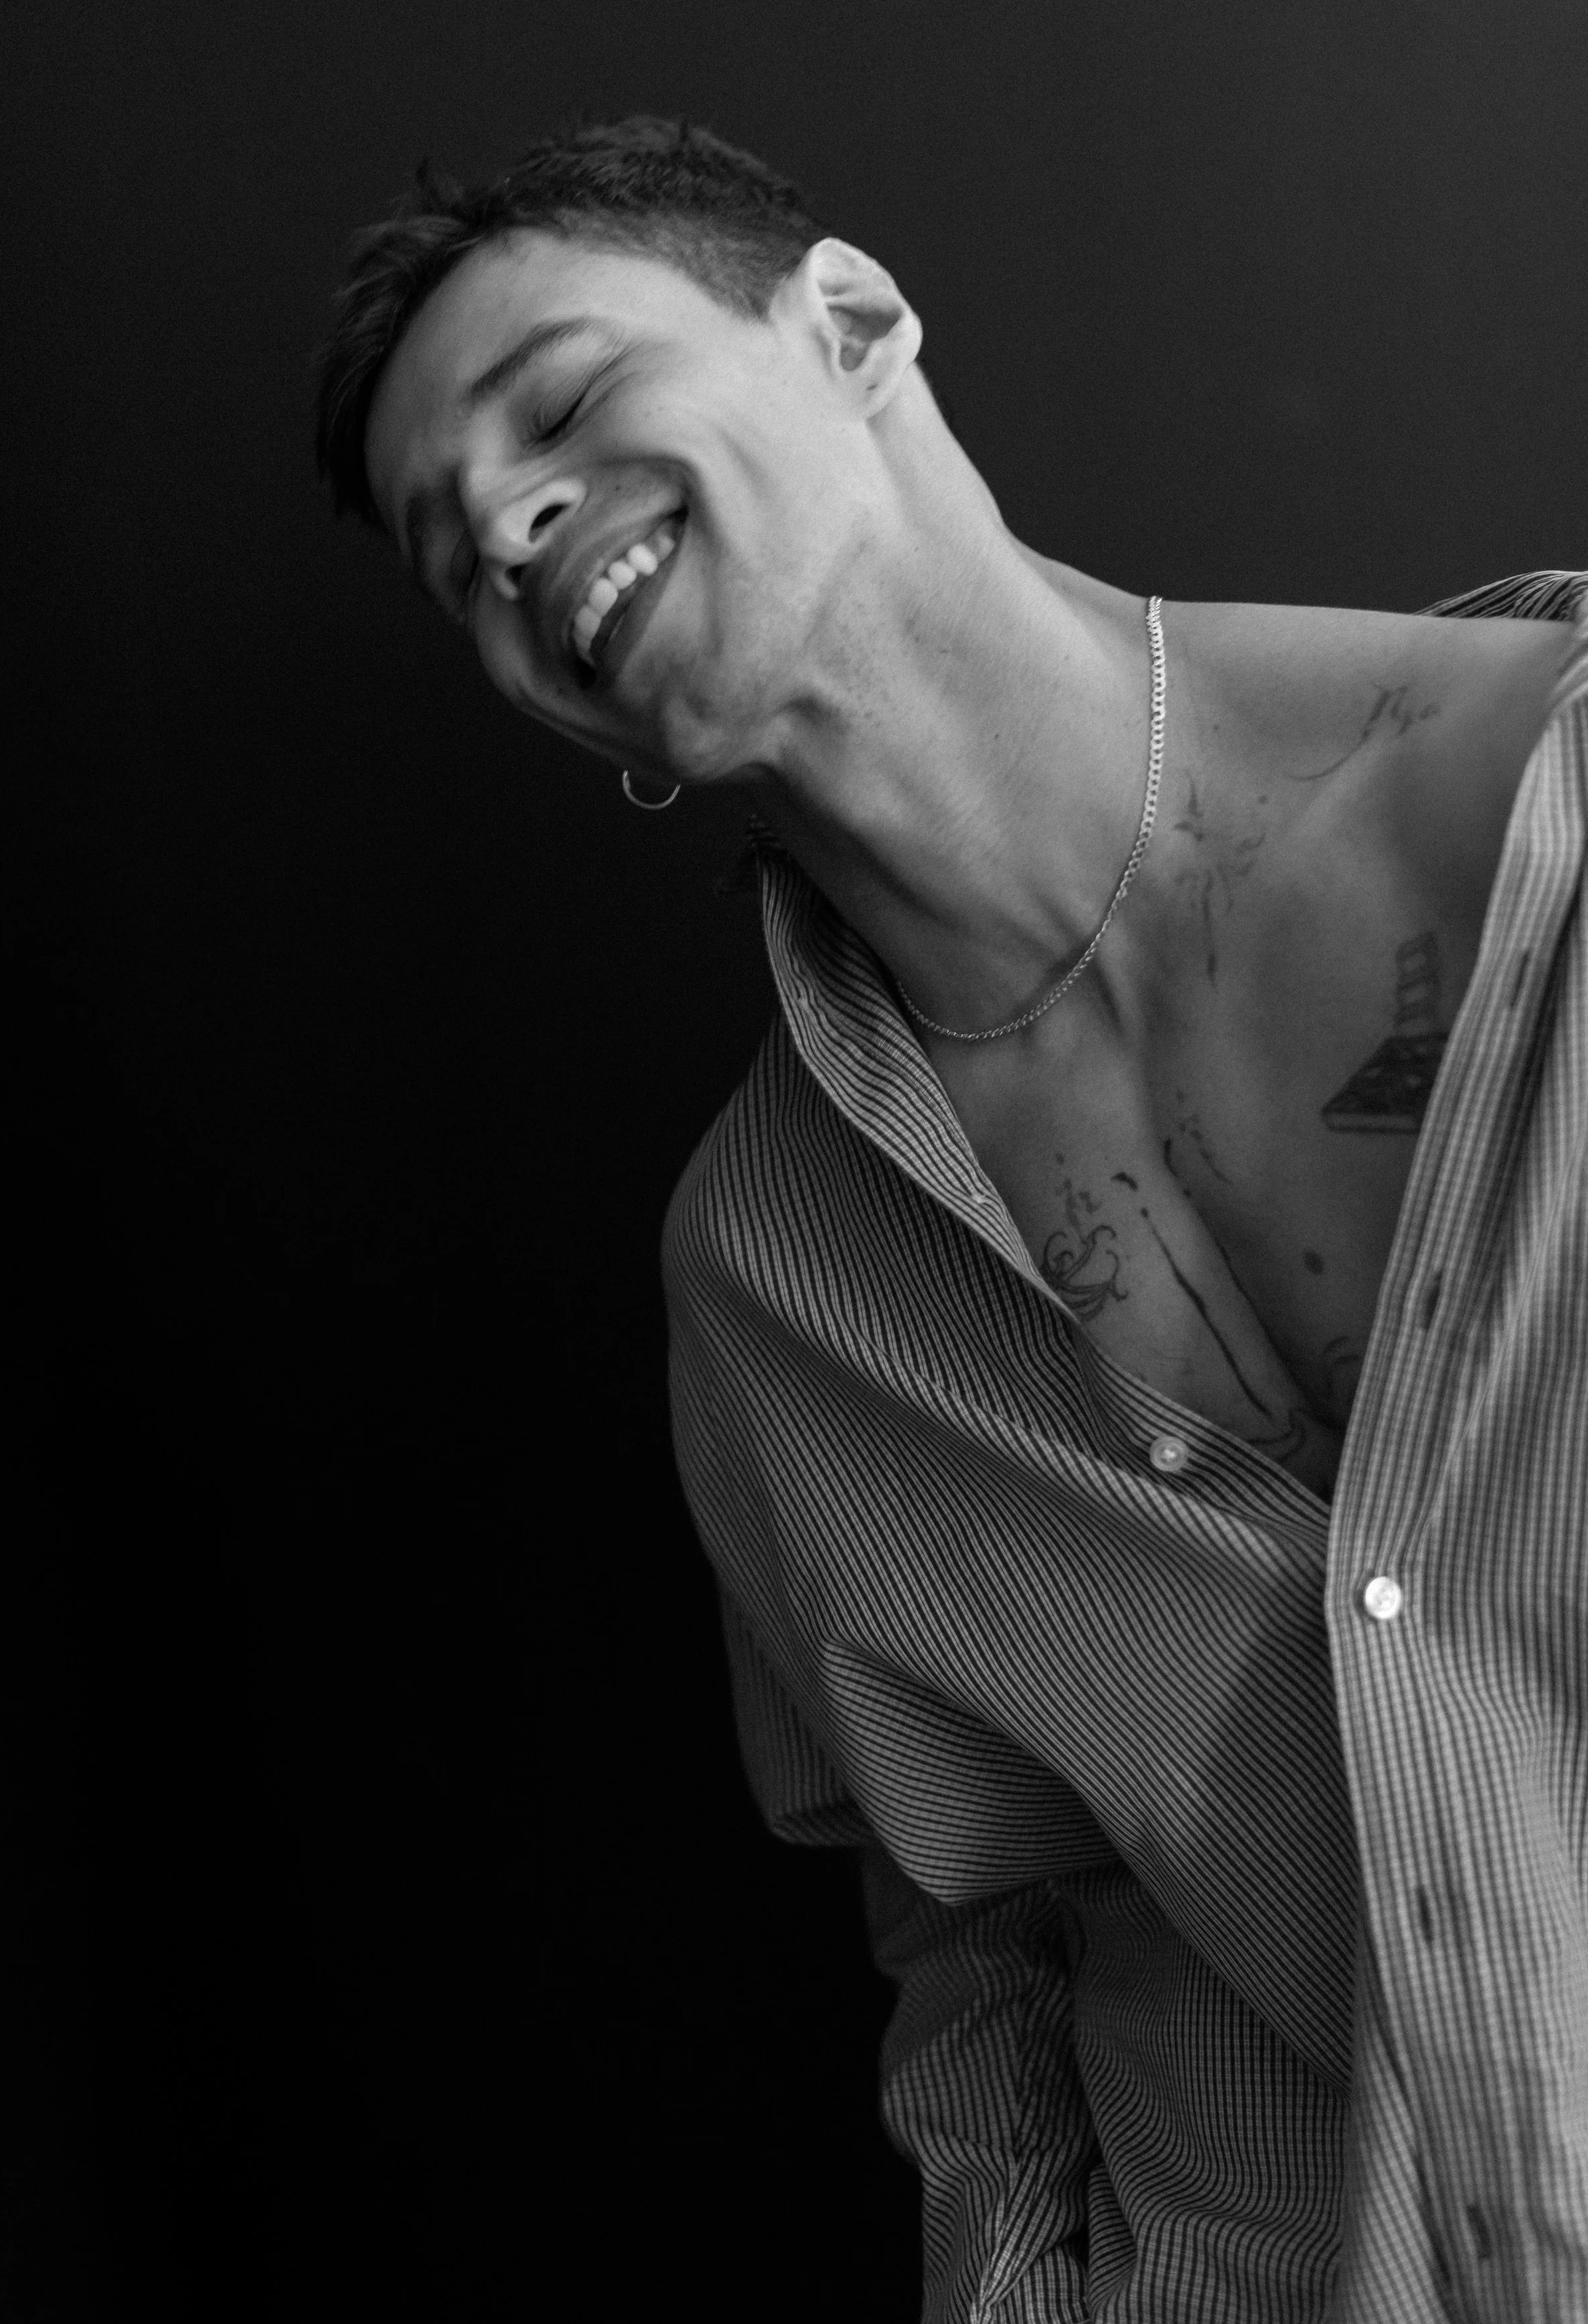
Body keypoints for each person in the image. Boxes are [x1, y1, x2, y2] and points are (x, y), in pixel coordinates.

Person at [316, 114, 1588, 2322]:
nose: (508, 528)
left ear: (849, 321)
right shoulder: (774, 1283)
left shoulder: (1543, 792)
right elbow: (985, 1954)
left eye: (563, 398)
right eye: (456, 558)